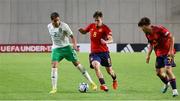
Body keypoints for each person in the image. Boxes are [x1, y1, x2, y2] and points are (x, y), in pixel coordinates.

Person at [47, 12, 97, 94]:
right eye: (55, 21)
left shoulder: (64, 26)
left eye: (58, 20)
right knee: (53, 65)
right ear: (52, 21)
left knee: (77, 64)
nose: (57, 22)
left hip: (67, 48)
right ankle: (54, 88)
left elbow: (72, 36)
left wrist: (74, 45)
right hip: (56, 49)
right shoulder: (49, 26)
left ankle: (92, 83)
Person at [138, 17, 178, 97]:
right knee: (158, 73)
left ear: (146, 25)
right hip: (159, 54)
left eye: (142, 27)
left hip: (168, 52)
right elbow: (151, 44)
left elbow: (171, 37)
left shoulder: (159, 29)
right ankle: (167, 83)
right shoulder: (147, 34)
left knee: (168, 70)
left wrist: (171, 51)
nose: (141, 29)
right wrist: (148, 55)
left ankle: (175, 91)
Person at [79, 11, 118, 92]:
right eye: (95, 20)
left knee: (110, 71)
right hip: (94, 53)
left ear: (101, 19)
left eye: (98, 20)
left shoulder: (105, 28)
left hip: (104, 53)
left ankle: (114, 80)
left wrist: (106, 42)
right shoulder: (91, 26)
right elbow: (85, 31)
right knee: (96, 66)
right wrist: (81, 30)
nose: (96, 22)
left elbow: (111, 39)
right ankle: (103, 85)